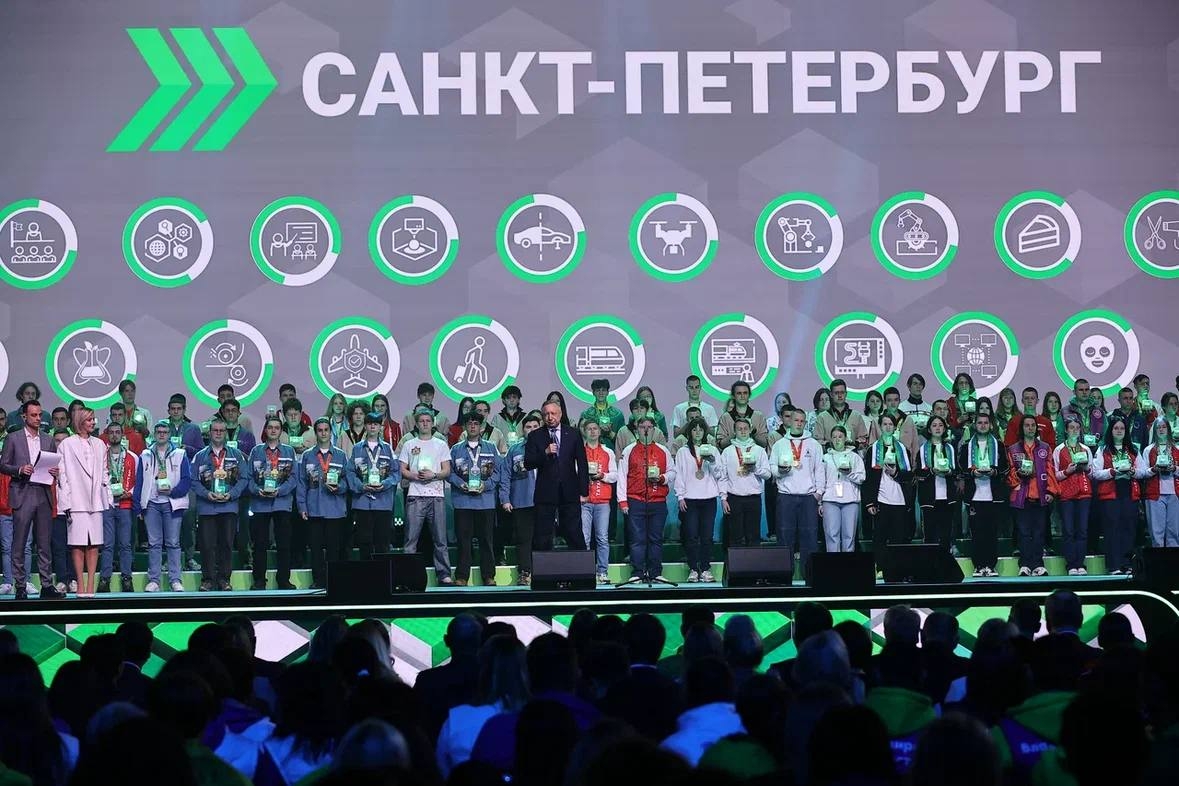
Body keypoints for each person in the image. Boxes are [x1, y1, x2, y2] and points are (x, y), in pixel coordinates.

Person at [0, 400, 61, 599]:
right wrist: (19, 470)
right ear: (24, 416)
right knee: (20, 542)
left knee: (44, 543)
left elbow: (52, 465)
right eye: (34, 415)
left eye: (40, 415)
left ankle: (46, 585)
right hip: (23, 492)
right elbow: (3, 465)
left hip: (43, 492)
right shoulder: (13, 438)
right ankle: (20, 585)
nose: (38, 418)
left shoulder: (48, 439)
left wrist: (55, 472)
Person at [55, 408, 111, 597]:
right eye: (89, 419)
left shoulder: (100, 444)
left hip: (95, 501)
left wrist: (106, 496)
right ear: (80, 421)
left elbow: (104, 472)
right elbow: (62, 476)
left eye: (93, 419)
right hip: (76, 500)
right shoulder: (67, 444)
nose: (93, 422)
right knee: (78, 543)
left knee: (94, 543)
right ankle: (80, 583)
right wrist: (66, 501)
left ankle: (90, 584)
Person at [133, 421, 192, 592]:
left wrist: (173, 492)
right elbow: (139, 481)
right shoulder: (145, 455)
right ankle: (154, 580)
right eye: (158, 431)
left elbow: (187, 480)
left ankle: (175, 580)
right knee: (154, 543)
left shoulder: (180, 454)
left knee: (173, 542)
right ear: (154, 434)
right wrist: (138, 506)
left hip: (172, 503)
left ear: (169, 434)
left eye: (165, 432)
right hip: (151, 504)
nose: (161, 434)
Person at [191, 420, 249, 592]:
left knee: (226, 544)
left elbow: (244, 478)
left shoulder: (236, 455)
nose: (218, 433)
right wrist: (206, 494)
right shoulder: (200, 456)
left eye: (221, 430)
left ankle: (224, 579)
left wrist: (232, 494)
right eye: (215, 430)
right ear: (209, 432)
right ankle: (208, 580)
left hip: (228, 506)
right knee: (207, 546)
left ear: (225, 433)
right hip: (207, 508)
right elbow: (193, 480)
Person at [525, 402, 589, 552]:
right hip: (545, 492)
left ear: (560, 414)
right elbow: (528, 463)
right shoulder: (535, 436)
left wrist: (584, 491)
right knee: (543, 533)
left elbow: (582, 463)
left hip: (569, 490)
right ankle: (543, 565)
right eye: (546, 414)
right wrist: (545, 453)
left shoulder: (573, 433)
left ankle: (579, 564)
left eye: (553, 413)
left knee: (573, 530)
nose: (550, 417)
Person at [399, 410, 454, 585]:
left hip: (436, 496)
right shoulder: (409, 444)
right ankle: (408, 576)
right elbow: (402, 469)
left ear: (433, 423)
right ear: (416, 424)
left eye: (428, 421)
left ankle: (444, 575)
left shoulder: (441, 444)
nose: (424, 423)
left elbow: (447, 470)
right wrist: (414, 476)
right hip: (415, 496)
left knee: (440, 539)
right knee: (410, 539)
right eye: (421, 421)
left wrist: (434, 475)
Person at [618, 416, 675, 582]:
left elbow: (673, 472)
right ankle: (637, 572)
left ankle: (655, 572)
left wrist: (662, 478)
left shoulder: (663, 451)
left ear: (654, 429)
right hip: (635, 500)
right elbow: (622, 476)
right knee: (637, 539)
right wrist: (622, 501)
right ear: (637, 429)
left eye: (649, 427)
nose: (646, 430)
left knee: (656, 538)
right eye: (642, 427)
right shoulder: (629, 450)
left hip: (657, 501)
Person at [294, 418, 349, 589]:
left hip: (335, 509)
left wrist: (339, 487)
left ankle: (333, 581)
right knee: (315, 548)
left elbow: (347, 480)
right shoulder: (307, 455)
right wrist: (302, 506)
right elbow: (301, 483)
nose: (323, 433)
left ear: (330, 432)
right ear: (316, 432)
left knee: (334, 548)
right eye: (320, 430)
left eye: (326, 430)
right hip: (314, 508)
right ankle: (318, 580)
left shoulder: (340, 455)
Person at [769, 408, 824, 577]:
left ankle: (810, 575)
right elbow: (772, 468)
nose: (799, 424)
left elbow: (819, 470)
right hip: (786, 496)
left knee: (810, 537)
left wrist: (818, 493)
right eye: (796, 420)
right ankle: (784, 575)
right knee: (785, 537)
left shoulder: (813, 444)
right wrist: (780, 471)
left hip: (808, 497)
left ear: (805, 423)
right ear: (789, 421)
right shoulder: (780, 444)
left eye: (802, 421)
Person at [449, 413, 502, 586]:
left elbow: (498, 472)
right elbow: (449, 473)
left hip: (485, 501)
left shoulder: (491, 448)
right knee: (463, 541)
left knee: (486, 540)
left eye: (476, 423)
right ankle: (462, 576)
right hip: (463, 501)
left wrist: (485, 485)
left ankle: (489, 576)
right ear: (465, 426)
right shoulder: (456, 449)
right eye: (469, 423)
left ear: (481, 427)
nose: (472, 426)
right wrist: (460, 484)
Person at [247, 416, 297, 590]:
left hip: (282, 502)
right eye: (270, 427)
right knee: (260, 544)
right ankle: (259, 580)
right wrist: (257, 490)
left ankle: (283, 580)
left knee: (284, 544)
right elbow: (248, 477)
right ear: (265, 430)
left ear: (281, 431)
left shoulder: (289, 451)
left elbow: (294, 478)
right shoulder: (256, 451)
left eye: (277, 427)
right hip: (260, 504)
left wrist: (280, 491)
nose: (273, 430)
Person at [1007, 414, 1059, 576]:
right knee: (1023, 533)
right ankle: (1024, 565)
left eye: (1032, 425)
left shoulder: (1045, 447)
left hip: (1040, 496)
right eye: (1027, 425)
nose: (1030, 428)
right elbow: (1009, 472)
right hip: (1021, 496)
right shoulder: (1013, 449)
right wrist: (1018, 475)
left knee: (1039, 532)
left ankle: (1038, 564)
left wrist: (1051, 491)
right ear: (1022, 428)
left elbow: (1050, 470)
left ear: (1036, 428)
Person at [960, 412, 1010, 577]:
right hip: (974, 496)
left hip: (993, 496)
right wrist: (972, 473)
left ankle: (991, 565)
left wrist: (994, 472)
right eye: (979, 422)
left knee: (991, 532)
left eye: (985, 423)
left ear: (990, 425)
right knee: (977, 533)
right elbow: (961, 468)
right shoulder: (967, 446)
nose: (982, 425)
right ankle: (978, 565)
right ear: (974, 425)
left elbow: (1005, 467)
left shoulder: (998, 445)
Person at [863, 412, 914, 571]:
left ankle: (897, 570)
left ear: (895, 427)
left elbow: (909, 476)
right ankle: (880, 568)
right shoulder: (873, 450)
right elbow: (868, 478)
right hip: (881, 500)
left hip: (899, 500)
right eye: (884, 424)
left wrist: (895, 473)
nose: (887, 427)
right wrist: (870, 502)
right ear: (880, 426)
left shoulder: (903, 449)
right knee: (880, 538)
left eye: (890, 424)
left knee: (898, 538)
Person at [673, 417, 721, 582]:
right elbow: (679, 475)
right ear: (689, 432)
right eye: (694, 429)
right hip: (690, 499)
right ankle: (693, 568)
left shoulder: (712, 450)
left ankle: (706, 568)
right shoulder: (683, 452)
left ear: (705, 432)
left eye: (701, 429)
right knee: (691, 535)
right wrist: (680, 496)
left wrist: (712, 462)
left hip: (708, 498)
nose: (698, 432)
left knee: (707, 536)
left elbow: (719, 474)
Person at [349, 412, 400, 563]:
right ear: (365, 426)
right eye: (370, 423)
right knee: (364, 542)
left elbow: (396, 473)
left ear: (380, 427)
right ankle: (366, 574)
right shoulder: (357, 449)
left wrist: (385, 484)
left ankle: (382, 574)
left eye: (376, 424)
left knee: (382, 543)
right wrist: (361, 486)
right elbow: (350, 472)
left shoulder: (387, 449)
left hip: (383, 502)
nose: (372, 426)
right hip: (363, 502)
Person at [1091, 417, 1139, 574]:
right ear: (1110, 431)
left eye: (1122, 428)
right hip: (1110, 494)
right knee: (1112, 530)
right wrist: (1112, 471)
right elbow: (1095, 473)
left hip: (1129, 492)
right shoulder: (1103, 450)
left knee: (1128, 529)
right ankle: (1114, 566)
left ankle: (1127, 564)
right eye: (1116, 428)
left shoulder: (1133, 449)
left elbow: (1143, 471)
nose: (1119, 431)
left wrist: (1133, 472)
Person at [719, 418, 770, 548]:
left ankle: (753, 561)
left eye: (745, 428)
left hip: (753, 498)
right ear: (734, 431)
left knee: (753, 536)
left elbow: (767, 474)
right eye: (739, 429)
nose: (743, 431)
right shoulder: (727, 451)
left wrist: (755, 469)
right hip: (734, 498)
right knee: (735, 537)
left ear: (750, 430)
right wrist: (723, 498)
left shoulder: (759, 450)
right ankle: (735, 562)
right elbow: (723, 477)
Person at [98, 423, 136, 594]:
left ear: (122, 435)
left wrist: (130, 492)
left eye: (117, 432)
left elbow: (138, 480)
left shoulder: (131, 457)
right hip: (107, 504)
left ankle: (127, 578)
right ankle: (104, 579)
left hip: (125, 505)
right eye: (111, 432)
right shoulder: (101, 457)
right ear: (107, 435)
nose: (114, 435)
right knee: (107, 544)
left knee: (125, 544)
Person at [502, 414, 541, 586]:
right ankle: (525, 573)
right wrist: (505, 499)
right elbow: (505, 475)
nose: (531, 430)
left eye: (535, 427)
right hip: (522, 501)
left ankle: (543, 573)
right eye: (528, 427)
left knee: (543, 539)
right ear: (522, 430)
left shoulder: (550, 447)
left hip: (544, 501)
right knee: (523, 540)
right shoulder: (515, 450)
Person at [1054, 415, 1094, 575]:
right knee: (1069, 530)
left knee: (1082, 530)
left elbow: (1093, 473)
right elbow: (1055, 475)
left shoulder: (1086, 449)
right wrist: (1067, 471)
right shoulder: (1059, 450)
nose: (1075, 431)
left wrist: (1086, 469)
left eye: (1077, 428)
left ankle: (1080, 563)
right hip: (1066, 495)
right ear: (1066, 430)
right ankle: (1071, 564)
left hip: (1084, 493)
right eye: (1071, 428)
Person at [581, 419, 618, 584]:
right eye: (589, 429)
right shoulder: (579, 451)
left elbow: (614, 475)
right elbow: (573, 473)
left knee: (602, 538)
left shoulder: (608, 452)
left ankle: (602, 572)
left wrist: (602, 476)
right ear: (584, 432)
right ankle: (586, 572)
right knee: (585, 538)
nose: (592, 431)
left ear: (600, 431)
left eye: (595, 428)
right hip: (584, 501)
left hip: (603, 501)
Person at [916, 415, 958, 553]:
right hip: (929, 497)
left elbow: (956, 470)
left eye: (940, 425)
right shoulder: (923, 449)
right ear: (929, 429)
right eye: (934, 425)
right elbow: (919, 472)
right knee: (930, 533)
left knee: (946, 533)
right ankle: (930, 562)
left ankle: (945, 560)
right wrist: (931, 471)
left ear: (945, 428)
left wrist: (949, 471)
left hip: (947, 497)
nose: (938, 428)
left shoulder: (950, 448)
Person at [820, 425, 865, 553]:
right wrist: (819, 502)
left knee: (849, 536)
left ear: (845, 438)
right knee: (831, 535)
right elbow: (821, 480)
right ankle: (833, 564)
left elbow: (861, 478)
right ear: (830, 439)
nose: (837, 440)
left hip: (850, 500)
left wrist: (849, 473)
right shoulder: (825, 457)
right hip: (830, 500)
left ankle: (847, 564)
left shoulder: (854, 457)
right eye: (834, 437)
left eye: (840, 437)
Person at [1139, 417, 1179, 547]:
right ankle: (1158, 559)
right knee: (1156, 533)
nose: (1161, 430)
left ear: (1168, 429)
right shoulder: (1148, 450)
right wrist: (1154, 469)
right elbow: (1143, 472)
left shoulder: (1177, 449)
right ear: (1154, 430)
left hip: (1175, 494)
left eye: (1164, 427)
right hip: (1154, 494)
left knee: (1174, 532)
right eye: (1158, 427)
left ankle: (1173, 559)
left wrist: (1175, 468)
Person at [813, 378, 869, 449]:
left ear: (846, 394)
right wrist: (830, 444)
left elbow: (864, 439)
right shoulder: (822, 417)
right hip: (830, 454)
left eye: (842, 392)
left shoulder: (856, 416)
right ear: (831, 395)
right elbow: (817, 441)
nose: (840, 395)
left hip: (851, 454)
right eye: (836, 393)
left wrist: (856, 444)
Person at [578, 379, 625, 453]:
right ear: (593, 393)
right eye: (598, 390)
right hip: (590, 453)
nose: (601, 393)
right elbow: (582, 437)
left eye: (603, 390)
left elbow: (623, 439)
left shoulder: (618, 415)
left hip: (612, 453)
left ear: (608, 392)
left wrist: (610, 433)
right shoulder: (586, 415)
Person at [717, 381, 768, 449]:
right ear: (733, 396)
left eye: (745, 393)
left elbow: (764, 443)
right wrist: (736, 432)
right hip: (732, 454)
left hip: (754, 454)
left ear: (749, 395)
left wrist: (753, 432)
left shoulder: (759, 416)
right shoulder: (725, 417)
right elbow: (720, 444)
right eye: (739, 393)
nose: (742, 396)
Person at [1064, 378, 1105, 451]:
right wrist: (1066, 452)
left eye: (1086, 390)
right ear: (1074, 392)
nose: (1084, 392)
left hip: (1096, 452)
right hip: (1073, 452)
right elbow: (1061, 436)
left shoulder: (1099, 411)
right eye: (1081, 390)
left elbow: (1106, 433)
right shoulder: (1065, 411)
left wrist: (1099, 449)